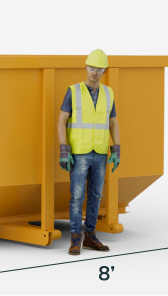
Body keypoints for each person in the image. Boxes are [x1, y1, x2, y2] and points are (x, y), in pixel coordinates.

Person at [56, 49, 121, 256]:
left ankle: (90, 236)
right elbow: (61, 122)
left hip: (100, 152)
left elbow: (112, 122)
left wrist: (116, 148)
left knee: (96, 196)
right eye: (91, 68)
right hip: (79, 152)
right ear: (86, 67)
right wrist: (64, 150)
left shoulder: (108, 93)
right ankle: (75, 238)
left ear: (104, 70)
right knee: (77, 197)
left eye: (99, 69)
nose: (94, 72)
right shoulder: (73, 91)